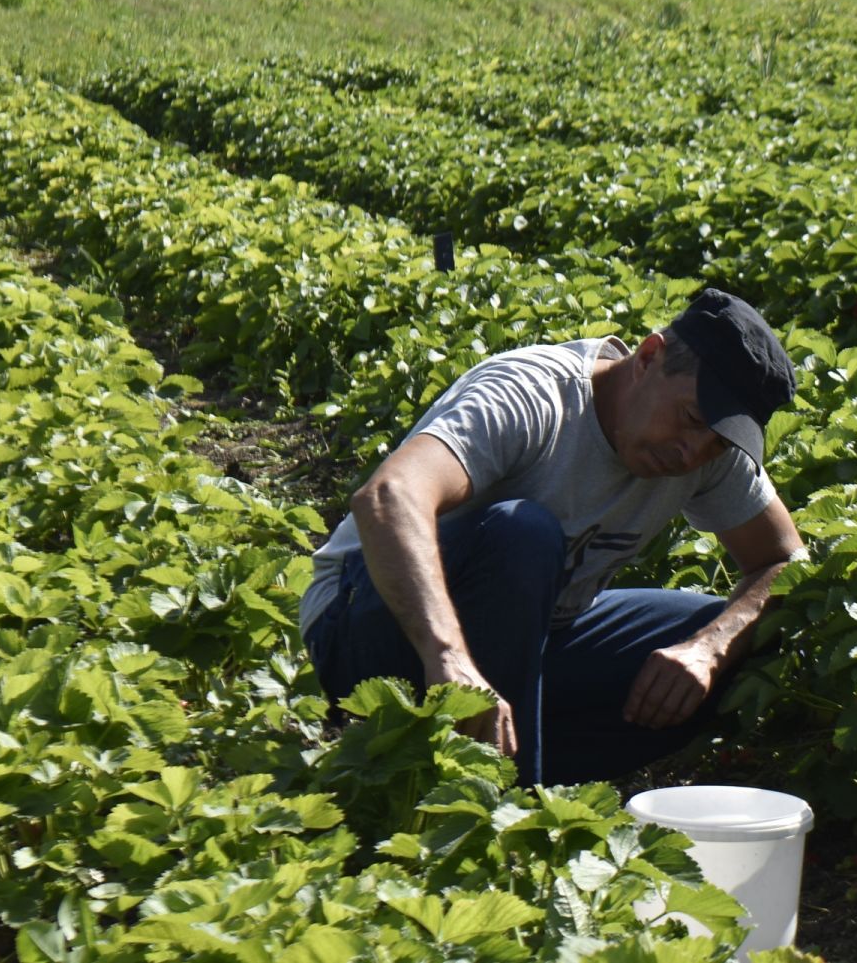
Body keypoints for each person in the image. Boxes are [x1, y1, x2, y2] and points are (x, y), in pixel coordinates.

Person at [299, 288, 803, 785]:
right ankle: (501, 804)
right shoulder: (535, 396)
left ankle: (487, 772)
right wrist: (448, 656)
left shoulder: (709, 451)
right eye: (691, 420)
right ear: (649, 356)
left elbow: (785, 563)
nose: (693, 452)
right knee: (523, 533)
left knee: (719, 639)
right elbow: (389, 496)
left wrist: (709, 650)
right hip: (366, 620)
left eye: (718, 443)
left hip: (531, 641)